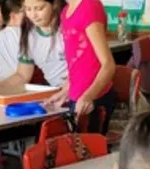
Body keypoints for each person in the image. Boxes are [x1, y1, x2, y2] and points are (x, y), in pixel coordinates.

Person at [45, 0, 116, 134]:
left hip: (94, 98)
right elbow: (78, 62)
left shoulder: (89, 6)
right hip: (78, 97)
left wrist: (88, 96)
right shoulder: (66, 11)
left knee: (90, 153)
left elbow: (108, 65)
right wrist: (65, 91)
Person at [0, 0, 68, 91]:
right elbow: (22, 75)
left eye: (39, 9)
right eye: (28, 9)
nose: (33, 15)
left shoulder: (66, 27)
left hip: (75, 91)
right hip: (58, 91)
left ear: (54, 4)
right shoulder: (29, 35)